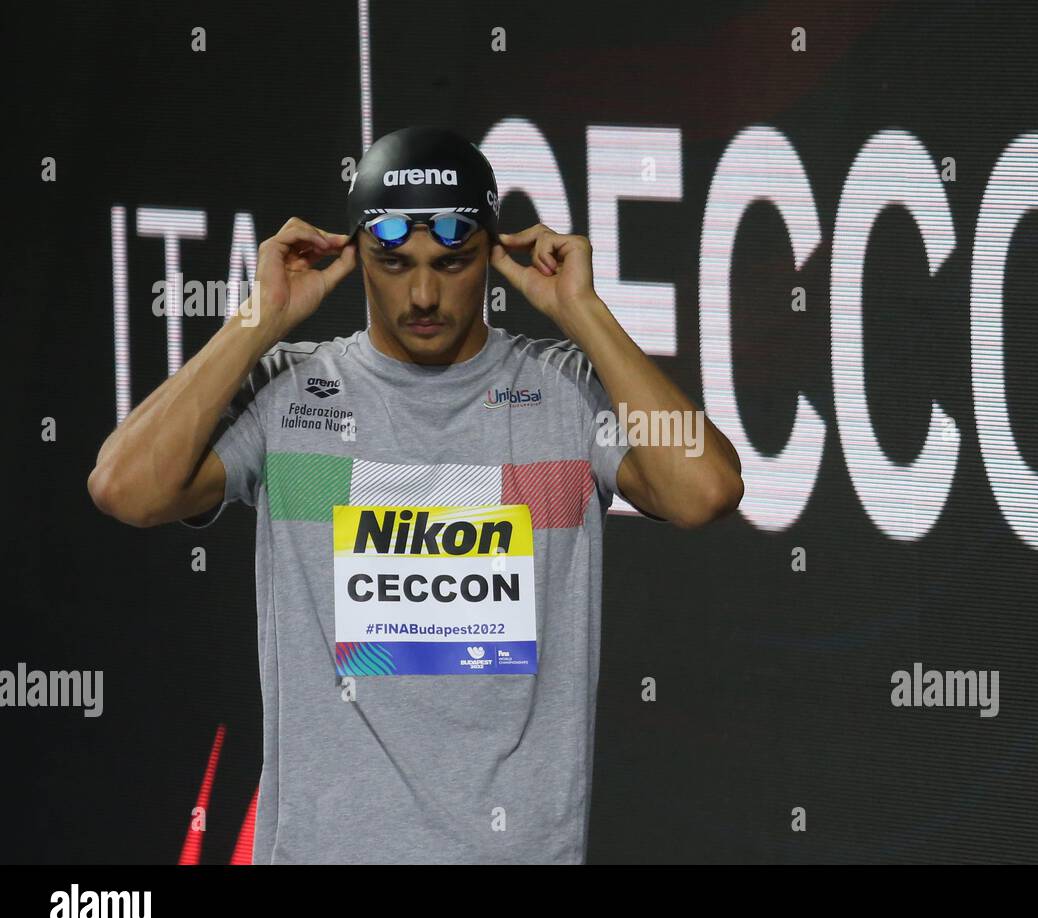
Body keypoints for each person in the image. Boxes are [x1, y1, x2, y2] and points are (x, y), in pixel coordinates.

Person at [87, 126, 743, 863]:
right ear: (357, 255)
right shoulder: (290, 389)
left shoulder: (563, 390)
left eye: (453, 263)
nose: (423, 294)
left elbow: (706, 489)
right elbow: (124, 488)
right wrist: (257, 318)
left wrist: (583, 312)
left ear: (493, 254)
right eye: (393, 263)